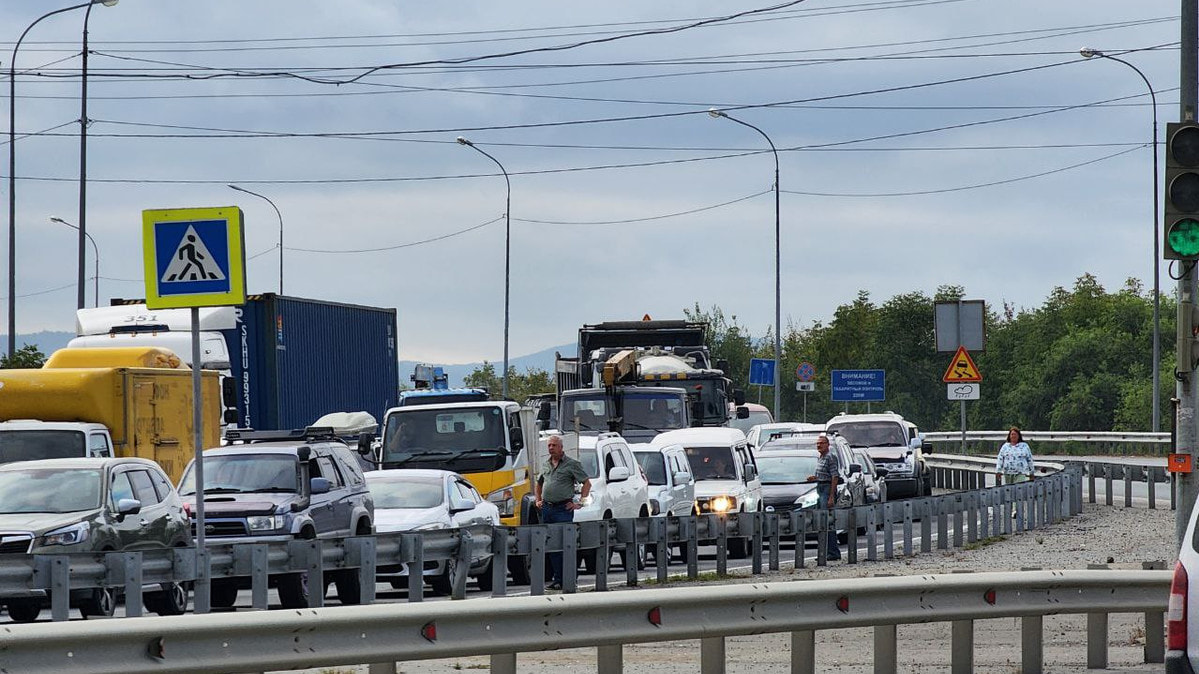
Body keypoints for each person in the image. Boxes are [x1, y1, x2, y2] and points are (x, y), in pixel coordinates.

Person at [534, 434, 591, 591]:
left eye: (553, 445)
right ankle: (558, 578)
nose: (551, 448)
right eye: (549, 446)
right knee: (552, 545)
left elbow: (586, 483)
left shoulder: (571, 464)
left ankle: (569, 578)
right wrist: (538, 500)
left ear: (561, 447)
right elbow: (539, 484)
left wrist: (580, 503)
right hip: (547, 509)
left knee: (565, 543)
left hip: (562, 509)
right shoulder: (546, 465)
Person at [805, 435, 842, 561]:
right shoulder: (821, 457)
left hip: (827, 490)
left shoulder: (830, 457)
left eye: (821, 443)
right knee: (821, 521)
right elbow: (824, 475)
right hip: (820, 487)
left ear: (827, 445)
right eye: (817, 443)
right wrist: (814, 478)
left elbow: (834, 477)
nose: (819, 445)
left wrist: (831, 496)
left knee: (828, 521)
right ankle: (826, 552)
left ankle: (833, 552)